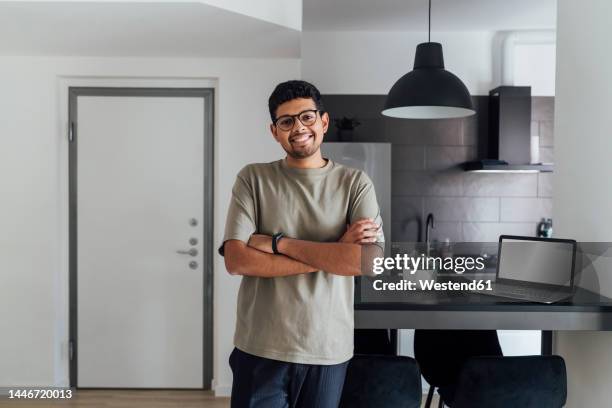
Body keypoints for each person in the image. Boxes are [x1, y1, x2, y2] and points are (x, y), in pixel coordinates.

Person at [219, 80, 384, 408]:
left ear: (323, 121)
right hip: (260, 347)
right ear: (274, 131)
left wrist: (279, 244)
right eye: (287, 121)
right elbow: (237, 260)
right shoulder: (253, 179)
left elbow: (368, 262)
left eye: (307, 117)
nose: (298, 128)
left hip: (327, 347)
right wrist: (337, 249)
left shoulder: (354, 183)